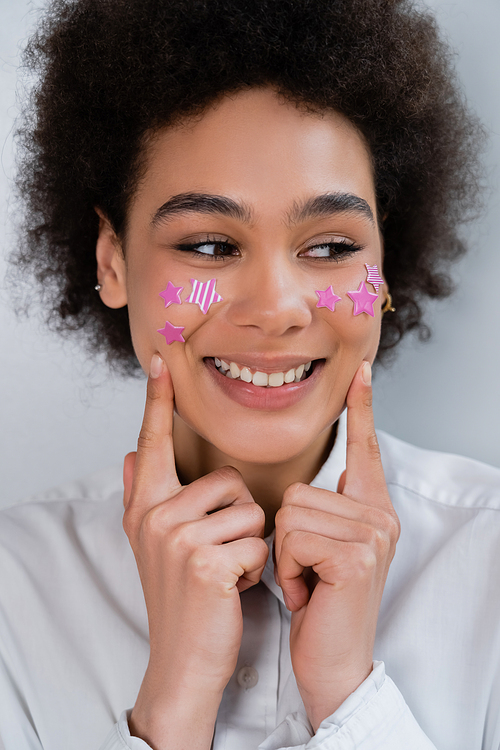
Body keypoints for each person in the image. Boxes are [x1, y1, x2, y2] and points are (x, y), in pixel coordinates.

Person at [1, 0, 499, 748]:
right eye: (207, 244)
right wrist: (171, 707)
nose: (276, 310)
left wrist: (349, 697)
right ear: (112, 261)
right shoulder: (14, 589)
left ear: (383, 261)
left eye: (331, 247)